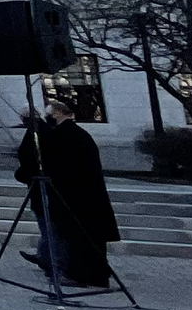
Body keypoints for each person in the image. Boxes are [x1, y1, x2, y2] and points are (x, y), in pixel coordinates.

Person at [15, 94, 121, 288]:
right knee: (86, 238)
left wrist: (26, 174)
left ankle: (78, 274)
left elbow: (51, 164)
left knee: (74, 237)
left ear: (57, 113)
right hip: (86, 195)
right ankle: (93, 274)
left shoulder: (63, 136)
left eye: (51, 114)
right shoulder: (77, 134)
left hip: (73, 196)